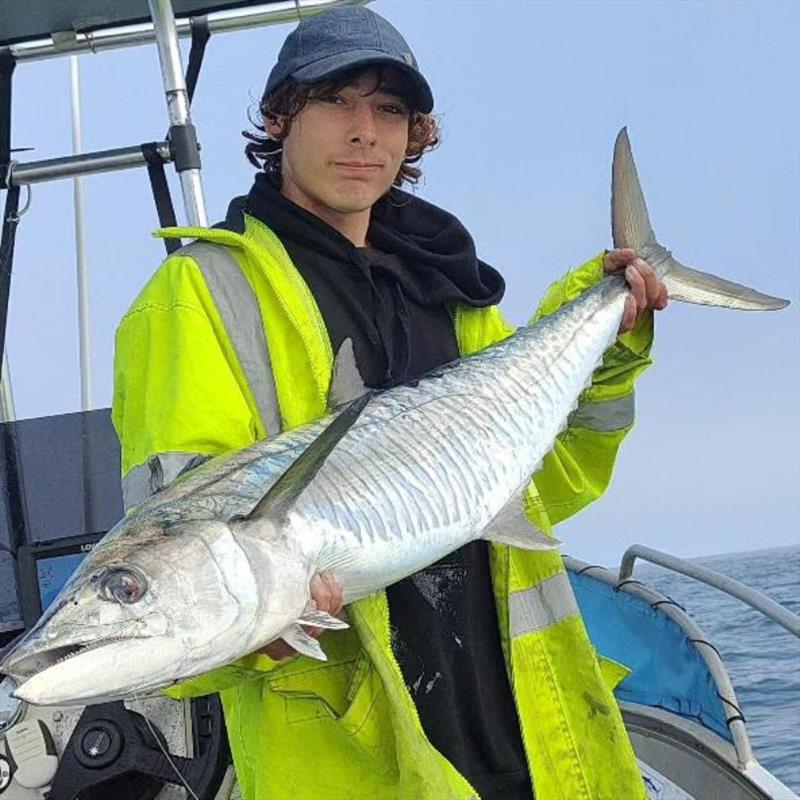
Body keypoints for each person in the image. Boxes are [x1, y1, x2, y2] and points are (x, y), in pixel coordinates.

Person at [112, 7, 667, 800]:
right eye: (336, 101)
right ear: (279, 117)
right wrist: (253, 639)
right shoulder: (197, 297)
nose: (363, 132)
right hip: (360, 762)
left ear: (415, 138)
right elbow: (179, 542)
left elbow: (549, 485)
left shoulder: (458, 293)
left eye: (389, 110)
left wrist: (610, 349)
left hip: (537, 744)